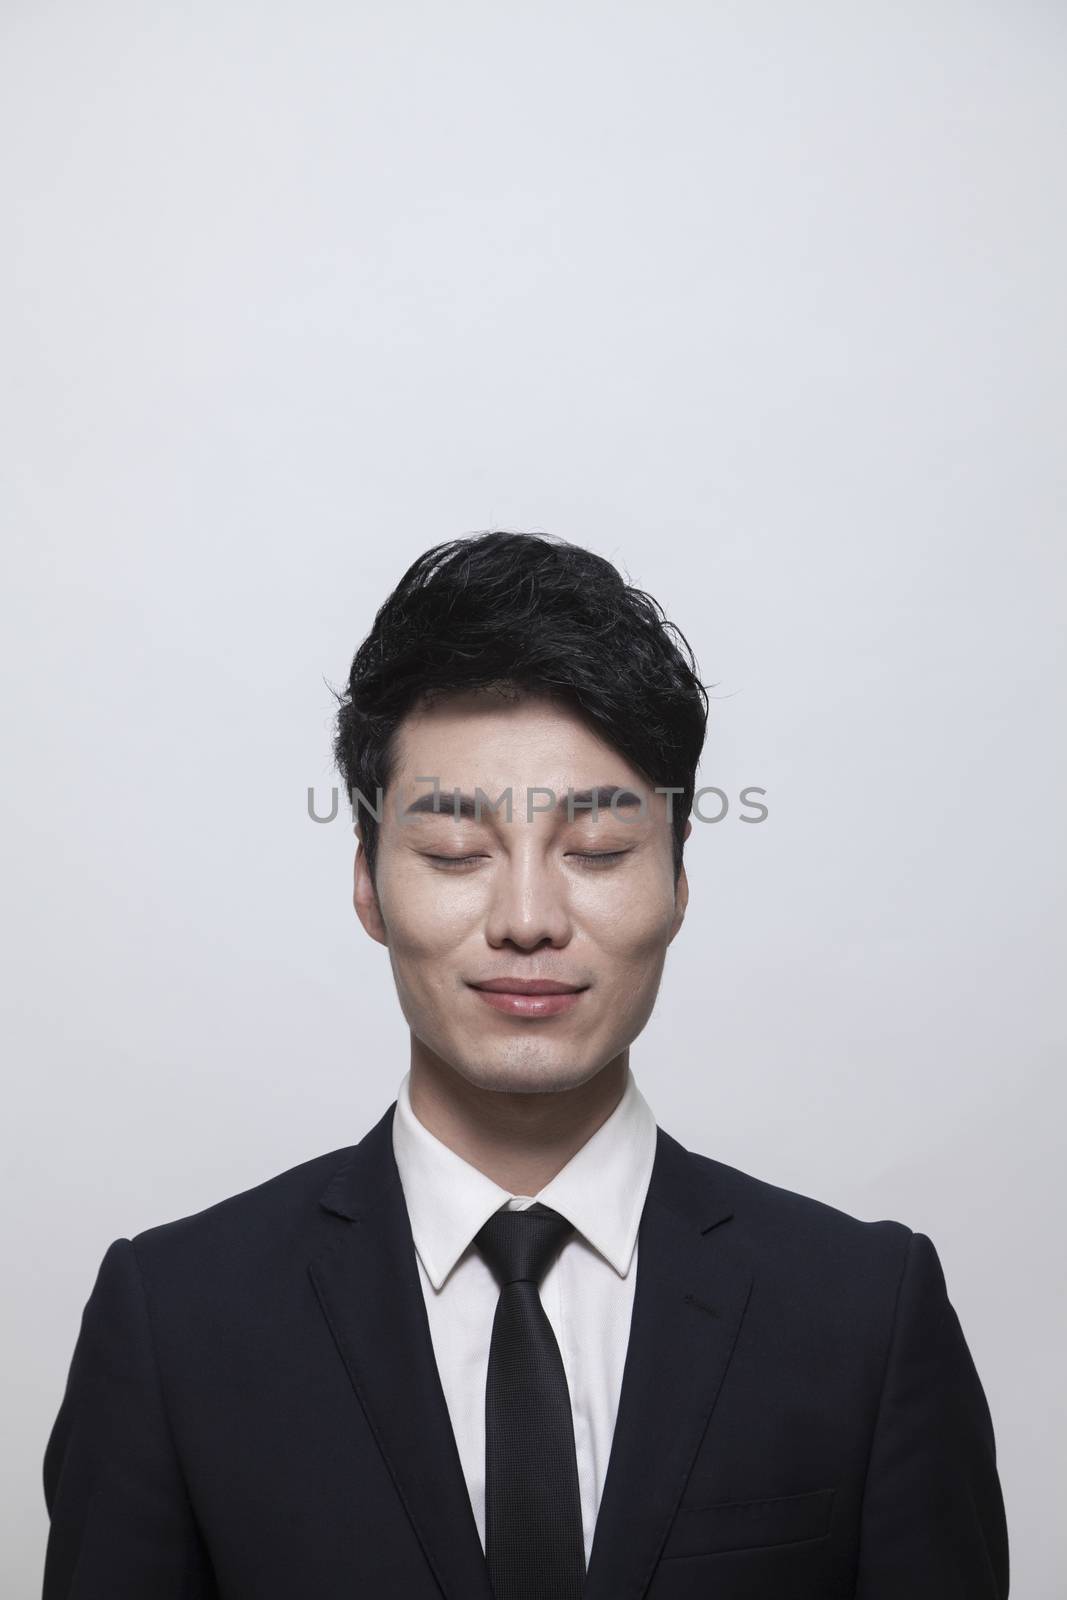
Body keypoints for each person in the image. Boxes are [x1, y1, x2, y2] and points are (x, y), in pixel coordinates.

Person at [41, 531, 1009, 1599]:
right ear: (365, 882)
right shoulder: (177, 1321)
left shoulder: (861, 1316)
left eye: (596, 851)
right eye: (454, 854)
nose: (528, 920)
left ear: (679, 879)